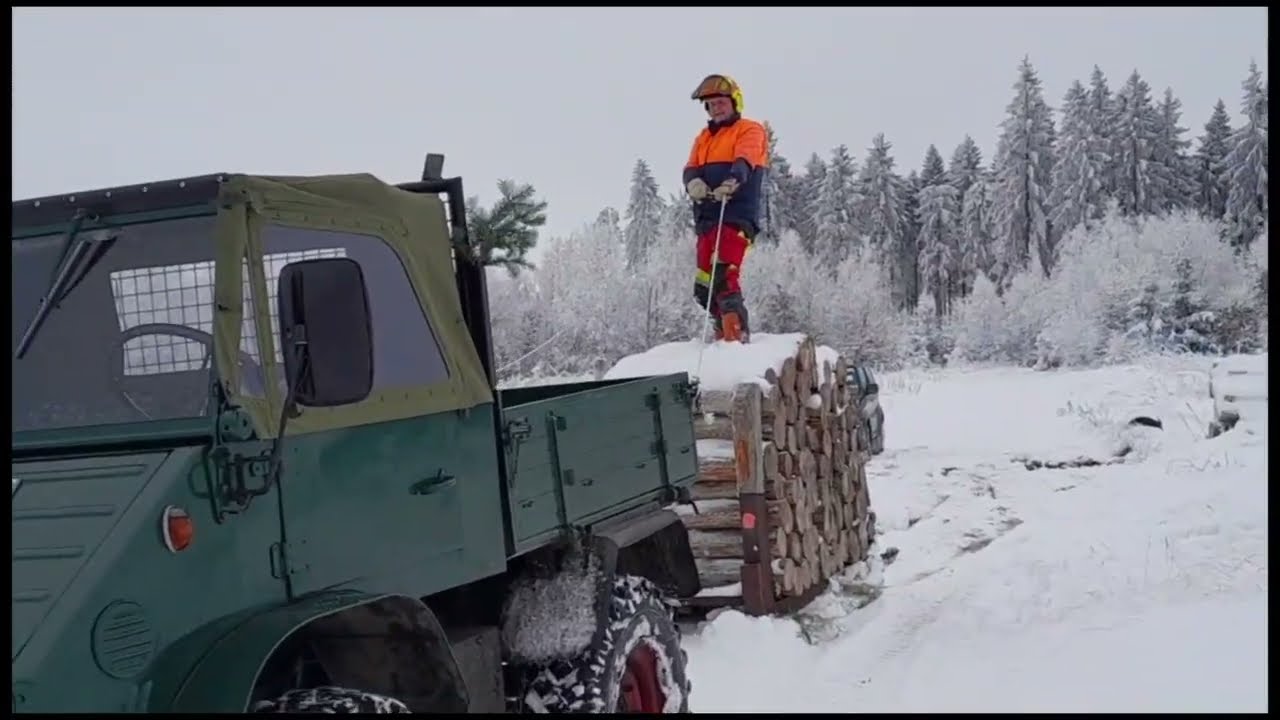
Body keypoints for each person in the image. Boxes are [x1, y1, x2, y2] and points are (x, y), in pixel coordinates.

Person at [683, 73, 769, 344]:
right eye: (712, 104)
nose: (717, 108)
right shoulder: (703, 138)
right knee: (704, 287)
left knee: (724, 274)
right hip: (707, 217)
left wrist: (733, 181)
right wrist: (693, 181)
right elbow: (690, 166)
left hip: (734, 214)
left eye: (721, 102)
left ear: (734, 103)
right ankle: (721, 332)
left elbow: (746, 158)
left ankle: (736, 337)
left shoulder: (749, 129)